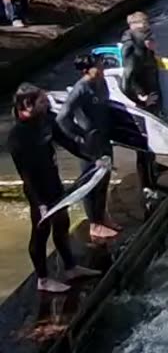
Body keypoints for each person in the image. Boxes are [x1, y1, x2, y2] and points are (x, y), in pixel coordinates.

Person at [8, 84, 104, 293]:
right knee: (41, 232)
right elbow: (26, 174)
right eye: (42, 101)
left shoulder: (46, 120)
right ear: (27, 105)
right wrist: (40, 204)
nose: (47, 103)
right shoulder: (17, 136)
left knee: (62, 223)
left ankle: (70, 268)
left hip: (53, 181)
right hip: (37, 190)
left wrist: (91, 159)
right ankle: (43, 280)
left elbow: (67, 143)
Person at [56, 55, 118, 241]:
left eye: (101, 65)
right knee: (92, 183)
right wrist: (79, 137)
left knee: (104, 179)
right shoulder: (80, 89)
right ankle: (94, 224)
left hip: (104, 139)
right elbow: (62, 118)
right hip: (89, 144)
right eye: (98, 67)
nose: (102, 68)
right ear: (86, 70)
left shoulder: (102, 82)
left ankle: (102, 216)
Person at [121, 12, 167, 201]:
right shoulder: (133, 48)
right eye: (146, 25)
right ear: (137, 26)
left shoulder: (145, 47)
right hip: (142, 103)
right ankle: (148, 185)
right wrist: (141, 99)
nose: (150, 28)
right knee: (143, 145)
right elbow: (128, 79)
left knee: (153, 139)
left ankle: (154, 168)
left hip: (152, 99)